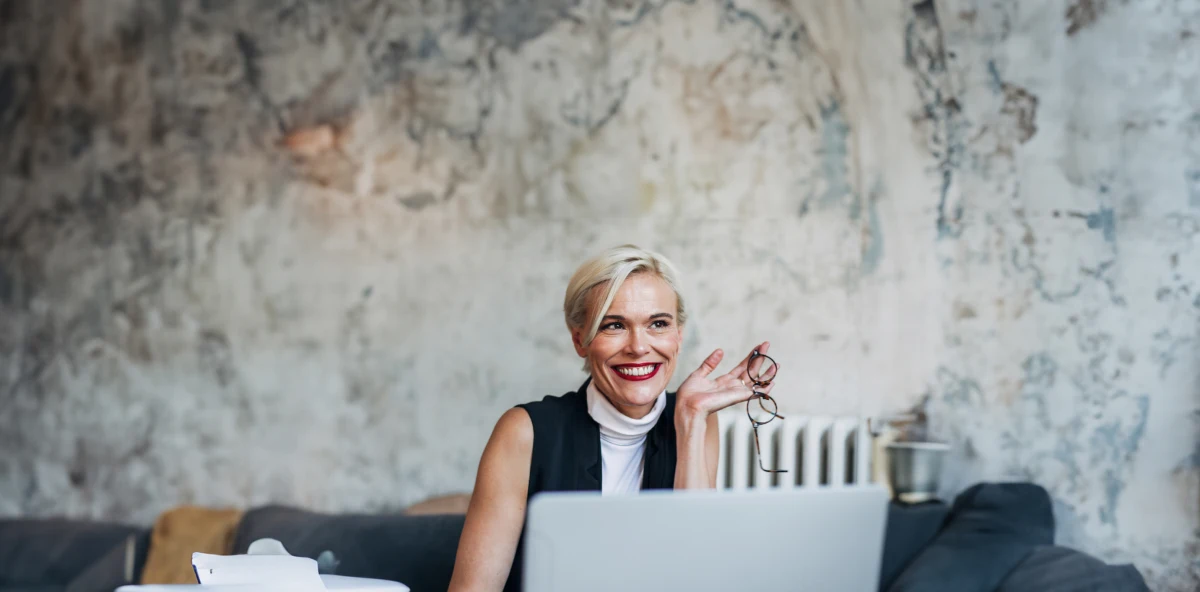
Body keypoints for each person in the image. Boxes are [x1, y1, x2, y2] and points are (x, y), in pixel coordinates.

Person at [447, 244, 774, 592]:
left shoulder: (697, 421)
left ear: (678, 336)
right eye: (614, 325)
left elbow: (697, 576)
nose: (638, 346)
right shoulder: (524, 431)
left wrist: (692, 421)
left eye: (658, 324)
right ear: (580, 341)